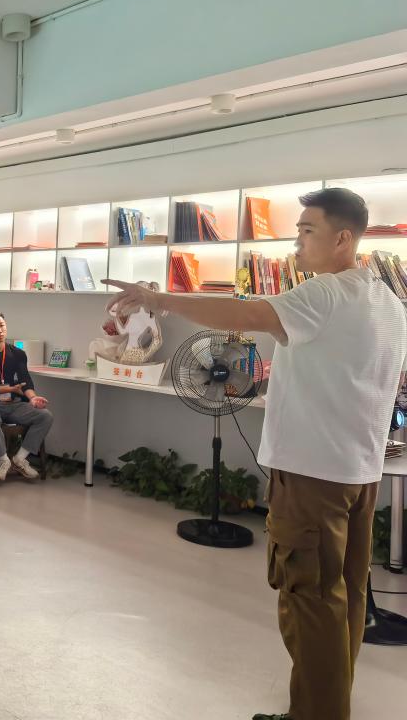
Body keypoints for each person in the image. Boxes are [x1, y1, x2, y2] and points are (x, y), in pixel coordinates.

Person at [104, 187, 407, 720]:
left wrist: (159, 299)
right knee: (344, 598)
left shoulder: (324, 294)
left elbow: (243, 313)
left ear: (343, 238)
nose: (297, 242)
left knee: (309, 601)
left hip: (311, 476)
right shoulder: (387, 300)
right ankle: (323, 706)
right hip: (359, 473)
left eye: (307, 230)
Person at [0, 311, 52, 480]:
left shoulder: (18, 353)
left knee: (45, 416)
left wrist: (33, 398)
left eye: (2, 325)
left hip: (13, 405)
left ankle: (19, 459)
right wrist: (9, 389)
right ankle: (3, 460)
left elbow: (25, 380)